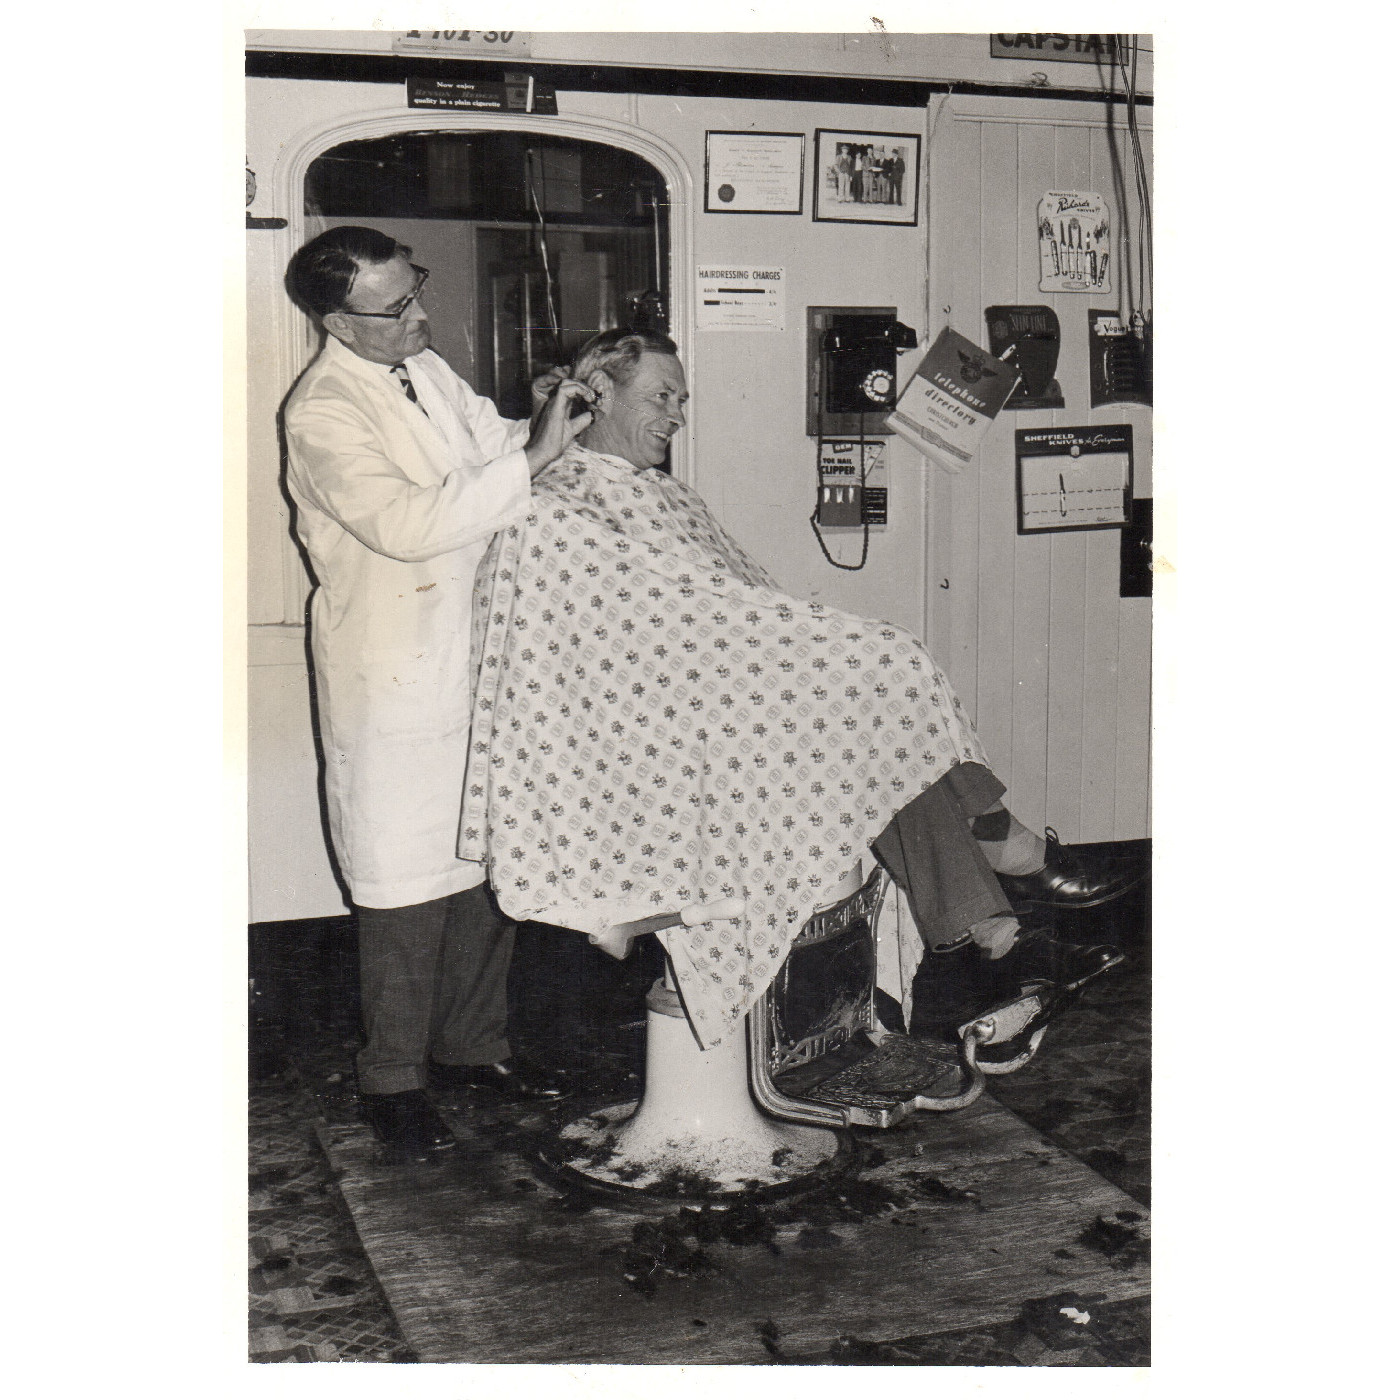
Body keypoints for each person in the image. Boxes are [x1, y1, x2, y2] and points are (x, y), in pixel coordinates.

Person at [460, 330, 1139, 1050]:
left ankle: (994, 918)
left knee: (868, 711)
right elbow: (588, 662)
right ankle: (1001, 877)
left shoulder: (660, 494)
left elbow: (729, 605)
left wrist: (794, 664)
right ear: (595, 395)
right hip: (654, 742)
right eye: (662, 396)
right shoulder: (558, 508)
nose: (678, 415)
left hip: (729, 707)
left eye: (683, 400)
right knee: (877, 681)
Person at [282, 226, 595, 1154]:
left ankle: (472, 1049)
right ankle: (393, 1080)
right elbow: (409, 521)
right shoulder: (323, 411)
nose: (420, 313)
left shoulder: (423, 368)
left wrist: (545, 424)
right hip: (397, 673)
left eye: (415, 289)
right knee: (405, 886)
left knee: (486, 869)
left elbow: (487, 443)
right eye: (396, 306)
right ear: (338, 320)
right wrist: (528, 461)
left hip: (480, 653)